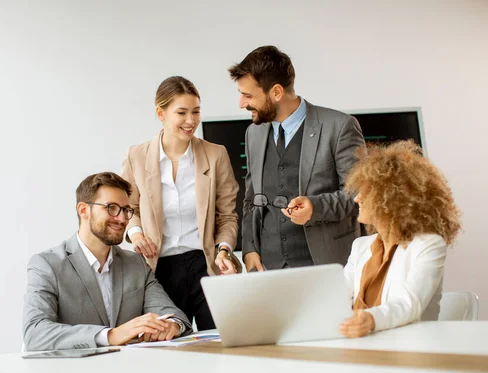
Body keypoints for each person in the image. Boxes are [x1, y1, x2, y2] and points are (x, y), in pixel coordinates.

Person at [228, 45, 366, 272]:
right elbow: (251, 198)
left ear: (276, 92)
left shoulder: (340, 126)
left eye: (248, 95)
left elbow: (360, 195)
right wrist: (250, 248)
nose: (242, 103)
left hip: (327, 263)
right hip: (269, 267)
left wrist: (316, 207)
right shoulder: (253, 133)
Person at [22, 172, 192, 350]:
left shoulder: (136, 264)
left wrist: (172, 325)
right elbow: (35, 333)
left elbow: (172, 314)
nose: (121, 219)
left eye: (126, 210)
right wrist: (111, 335)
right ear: (83, 210)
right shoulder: (47, 264)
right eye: (111, 207)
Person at [121, 76, 239, 330]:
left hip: (205, 265)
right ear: (160, 113)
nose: (191, 121)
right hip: (158, 269)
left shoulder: (216, 154)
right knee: (167, 345)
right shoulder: (137, 156)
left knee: (220, 342)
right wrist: (137, 233)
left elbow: (227, 216)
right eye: (182, 112)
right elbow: (128, 207)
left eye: (196, 112)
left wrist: (224, 250)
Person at [339, 141, 462, 338]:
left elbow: (409, 303)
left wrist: (370, 320)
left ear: (392, 198)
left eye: (366, 192)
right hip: (359, 345)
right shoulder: (360, 246)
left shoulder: (429, 244)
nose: (356, 198)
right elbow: (337, 297)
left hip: (409, 351)